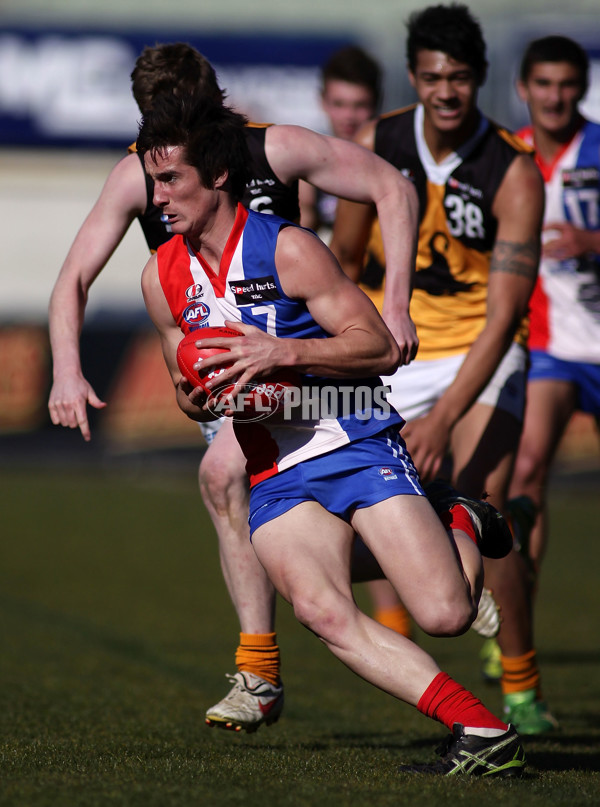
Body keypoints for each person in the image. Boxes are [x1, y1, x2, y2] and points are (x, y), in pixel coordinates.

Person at [137, 90, 526, 777]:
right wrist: (198, 396)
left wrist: (279, 353)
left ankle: (457, 517)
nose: (157, 196)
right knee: (320, 608)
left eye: (171, 179)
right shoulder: (159, 275)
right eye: (153, 180)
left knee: (443, 612)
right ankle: (480, 727)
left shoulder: (287, 248)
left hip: (351, 436)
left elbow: (375, 345)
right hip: (275, 468)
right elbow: (188, 389)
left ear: (218, 176)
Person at [48, 42, 421, 733]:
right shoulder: (140, 173)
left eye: (176, 118)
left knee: (225, 476)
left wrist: (394, 302)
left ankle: (259, 669)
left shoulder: (271, 148)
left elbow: (393, 188)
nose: (160, 148)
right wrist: (67, 367)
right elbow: (71, 278)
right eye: (152, 123)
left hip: (312, 368)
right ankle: (440, 532)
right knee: (237, 487)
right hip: (227, 373)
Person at [330, 3, 557, 735]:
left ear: (480, 79)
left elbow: (503, 319)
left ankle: (519, 683)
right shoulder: (377, 142)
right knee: (352, 502)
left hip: (475, 357)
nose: (446, 92)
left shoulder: (513, 173)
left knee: (487, 500)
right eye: (432, 77)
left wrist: (444, 415)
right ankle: (414, 621)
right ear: (414, 77)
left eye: (460, 78)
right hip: (389, 354)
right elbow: (341, 264)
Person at [501, 36, 600, 714]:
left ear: (581, 87)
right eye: (544, 82)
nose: (555, 94)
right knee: (525, 472)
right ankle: (514, 631)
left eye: (567, 83)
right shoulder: (506, 154)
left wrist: (592, 241)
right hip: (548, 348)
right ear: (523, 87)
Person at [299, 46, 381, 240]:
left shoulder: (394, 158)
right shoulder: (308, 164)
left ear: (377, 102)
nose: (348, 117)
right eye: (339, 104)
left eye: (360, 105)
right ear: (322, 101)